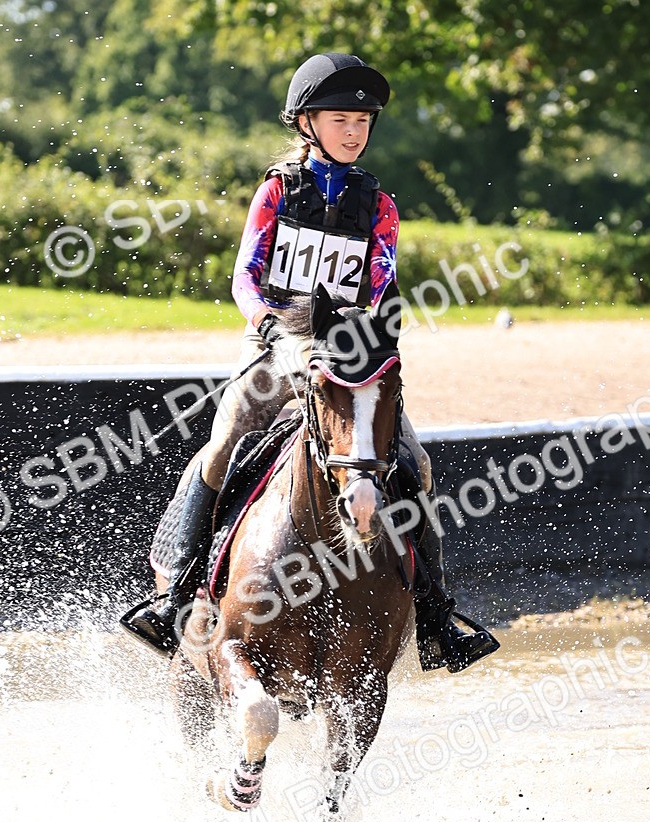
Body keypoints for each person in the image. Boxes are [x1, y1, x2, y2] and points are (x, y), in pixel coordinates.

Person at [123, 52, 498, 672]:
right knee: (222, 446)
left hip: (347, 352)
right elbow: (245, 278)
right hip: (274, 345)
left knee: (417, 463)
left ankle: (436, 616)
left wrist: (368, 334)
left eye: (363, 122)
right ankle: (175, 597)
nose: (354, 132)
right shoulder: (276, 191)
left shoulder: (380, 206)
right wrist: (273, 329)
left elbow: (381, 281)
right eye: (340, 120)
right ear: (306, 123)